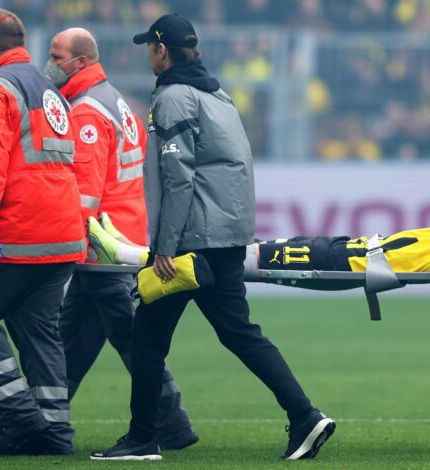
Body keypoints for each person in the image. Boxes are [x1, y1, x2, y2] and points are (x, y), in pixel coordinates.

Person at [91, 14, 335, 461]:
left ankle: (143, 438)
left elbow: (178, 177)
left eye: (150, 47)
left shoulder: (173, 97)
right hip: (226, 238)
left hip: (190, 244)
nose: (148, 55)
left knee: (146, 339)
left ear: (161, 51)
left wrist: (165, 247)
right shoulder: (218, 95)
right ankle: (304, 415)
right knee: (240, 333)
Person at [44, 28, 198, 450]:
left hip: (102, 244)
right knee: (76, 335)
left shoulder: (86, 112)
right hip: (120, 234)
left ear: (80, 61)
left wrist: (71, 243)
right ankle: (45, 419)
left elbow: (86, 193)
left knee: (132, 336)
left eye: (56, 56)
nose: (49, 64)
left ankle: (172, 421)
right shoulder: (113, 100)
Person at [0, 8, 86, 456]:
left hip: (16, 231)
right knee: (38, 330)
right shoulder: (49, 89)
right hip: (61, 235)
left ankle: (21, 417)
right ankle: (55, 432)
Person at [88, 177, 430, 274]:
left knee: (240, 258)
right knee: (243, 255)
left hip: (350, 261)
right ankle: (134, 250)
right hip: (351, 251)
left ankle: (129, 254)